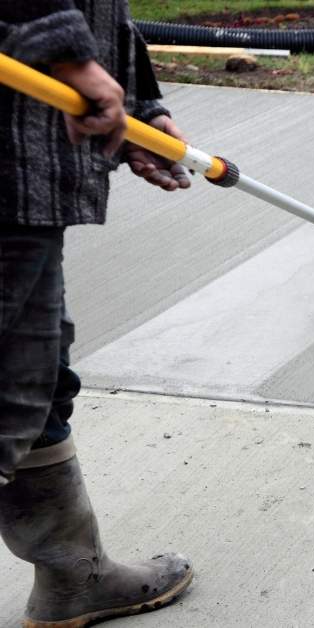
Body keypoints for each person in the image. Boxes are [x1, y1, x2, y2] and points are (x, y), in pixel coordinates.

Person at [0, 2, 196, 625]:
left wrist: (139, 106)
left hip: (28, 170)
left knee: (36, 385)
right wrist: (74, 58)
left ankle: (71, 571)